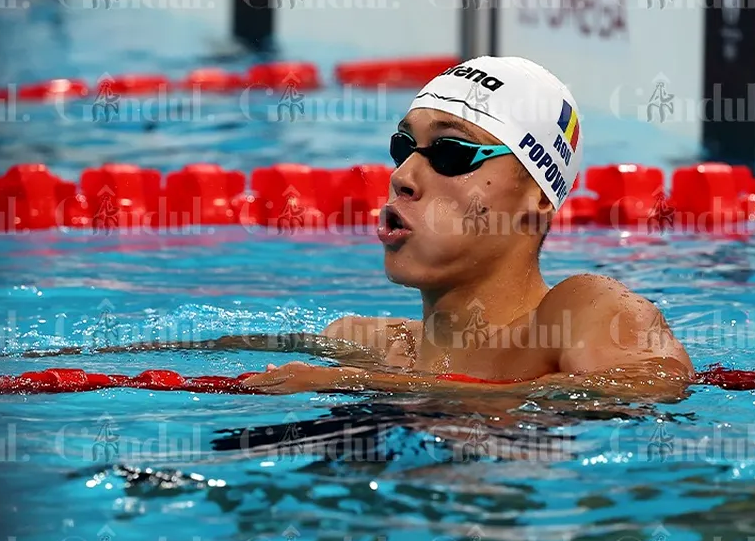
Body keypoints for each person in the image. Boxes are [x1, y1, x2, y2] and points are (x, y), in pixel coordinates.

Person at [238, 56, 693, 400]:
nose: (402, 176)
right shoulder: (364, 342)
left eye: (451, 153)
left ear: (538, 196)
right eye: (403, 148)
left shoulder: (581, 310)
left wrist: (358, 384)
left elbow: (652, 384)